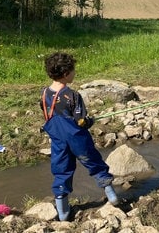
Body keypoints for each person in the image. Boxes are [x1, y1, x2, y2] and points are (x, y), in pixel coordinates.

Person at [40, 52, 119, 221]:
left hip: (57, 140)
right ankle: (112, 196)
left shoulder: (44, 93)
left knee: (61, 170)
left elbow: (47, 113)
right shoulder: (73, 96)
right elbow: (81, 122)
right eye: (73, 70)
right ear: (66, 73)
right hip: (77, 138)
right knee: (94, 162)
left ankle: (63, 213)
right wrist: (91, 121)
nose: (75, 73)